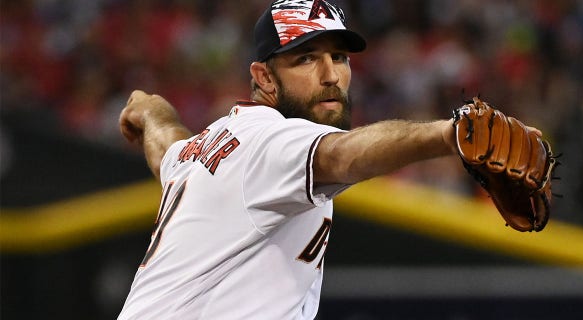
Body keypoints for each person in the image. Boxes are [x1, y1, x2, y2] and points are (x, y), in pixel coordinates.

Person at [117, 1, 544, 319]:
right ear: (264, 77)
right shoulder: (271, 139)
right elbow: (343, 154)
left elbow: (167, 147)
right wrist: (450, 134)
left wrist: (149, 109)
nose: (331, 75)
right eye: (306, 58)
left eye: (338, 57)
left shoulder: (210, 146)